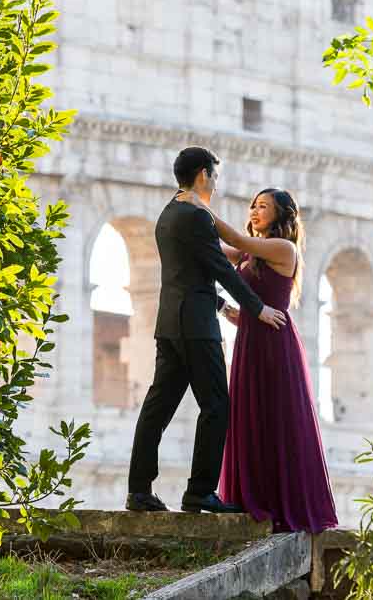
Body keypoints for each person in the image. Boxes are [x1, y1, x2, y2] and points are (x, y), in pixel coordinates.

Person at [125, 147, 288, 514]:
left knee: (158, 406)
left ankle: (139, 490)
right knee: (216, 404)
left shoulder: (168, 214)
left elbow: (187, 273)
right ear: (202, 175)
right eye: (213, 176)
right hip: (196, 328)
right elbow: (220, 269)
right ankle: (199, 491)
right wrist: (257, 308)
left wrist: (221, 306)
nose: (214, 184)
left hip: (170, 323)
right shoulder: (195, 217)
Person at [177, 187, 338, 533]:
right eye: (253, 205)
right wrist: (222, 305)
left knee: (275, 418)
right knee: (251, 415)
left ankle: (278, 502)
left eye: (263, 206)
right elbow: (214, 256)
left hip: (275, 345)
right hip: (251, 339)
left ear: (280, 215)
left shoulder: (283, 248)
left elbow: (234, 239)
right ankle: (255, 498)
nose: (254, 211)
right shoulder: (250, 257)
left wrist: (199, 207)